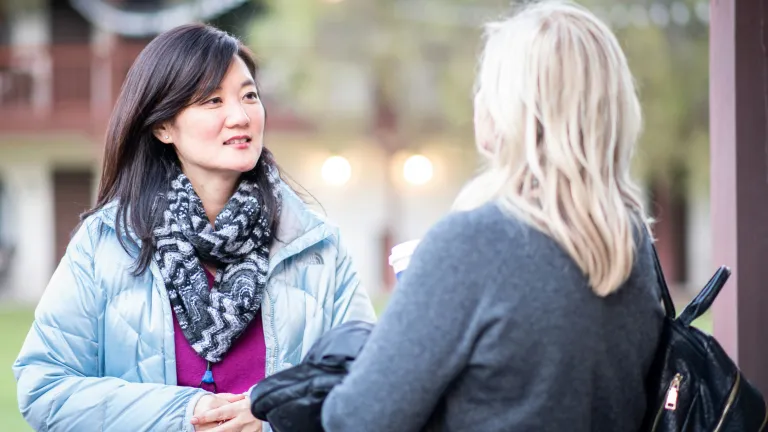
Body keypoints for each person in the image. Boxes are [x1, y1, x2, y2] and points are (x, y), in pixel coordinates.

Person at [318, 2, 665, 431]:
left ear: (507, 112)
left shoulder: (472, 244)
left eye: (488, 83)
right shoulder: (631, 243)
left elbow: (357, 420)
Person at [13, 23, 375, 432]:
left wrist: (272, 417)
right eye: (213, 100)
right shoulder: (105, 244)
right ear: (163, 126)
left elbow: (371, 385)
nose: (239, 116)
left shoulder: (315, 247)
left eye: (249, 96)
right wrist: (186, 413)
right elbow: (44, 387)